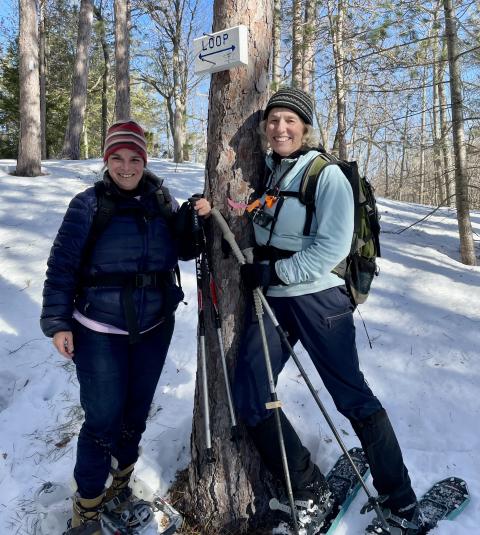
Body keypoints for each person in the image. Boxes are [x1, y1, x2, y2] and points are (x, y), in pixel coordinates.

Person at [234, 88, 421, 535]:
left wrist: (273, 273)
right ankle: (305, 485)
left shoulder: (327, 175)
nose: (280, 128)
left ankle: (401, 500)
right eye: (274, 120)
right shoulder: (274, 174)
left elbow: (331, 249)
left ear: (305, 127)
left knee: (351, 397)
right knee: (249, 390)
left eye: (290, 121)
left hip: (320, 302)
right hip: (277, 300)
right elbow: (270, 230)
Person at [40, 120, 210, 534]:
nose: (126, 166)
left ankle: (118, 488)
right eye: (117, 158)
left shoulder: (161, 201)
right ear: (107, 161)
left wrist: (194, 217)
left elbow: (185, 251)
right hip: (98, 329)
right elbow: (61, 266)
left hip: (154, 327)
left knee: (134, 415)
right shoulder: (87, 205)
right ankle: (88, 509)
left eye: (134, 158)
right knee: (102, 420)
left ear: (144, 160)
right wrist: (58, 323)